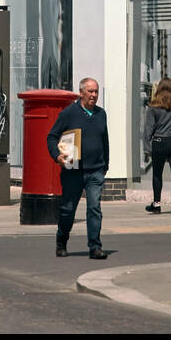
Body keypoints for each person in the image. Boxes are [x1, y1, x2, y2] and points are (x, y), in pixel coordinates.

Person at [47, 77, 110, 259]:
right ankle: (61, 240)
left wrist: (106, 163)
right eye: (90, 91)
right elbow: (52, 136)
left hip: (95, 170)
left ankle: (95, 247)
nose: (94, 95)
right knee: (68, 209)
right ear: (81, 93)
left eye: (96, 91)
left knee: (94, 207)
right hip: (73, 170)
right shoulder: (69, 113)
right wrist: (56, 155)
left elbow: (105, 140)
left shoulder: (101, 114)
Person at [143, 78, 171, 215]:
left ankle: (156, 204)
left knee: (157, 174)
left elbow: (148, 129)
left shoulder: (153, 107)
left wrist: (147, 148)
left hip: (159, 143)